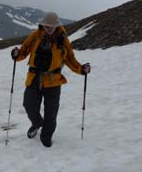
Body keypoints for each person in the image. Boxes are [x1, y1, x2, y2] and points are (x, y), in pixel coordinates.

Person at [11, 12, 91, 148]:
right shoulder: (35, 36)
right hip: (34, 78)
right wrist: (16, 54)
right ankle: (37, 123)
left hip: (53, 81)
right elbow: (23, 51)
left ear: (56, 26)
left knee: (51, 113)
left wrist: (81, 69)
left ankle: (46, 136)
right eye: (46, 25)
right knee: (29, 105)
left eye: (51, 26)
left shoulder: (62, 39)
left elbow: (70, 58)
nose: (48, 28)